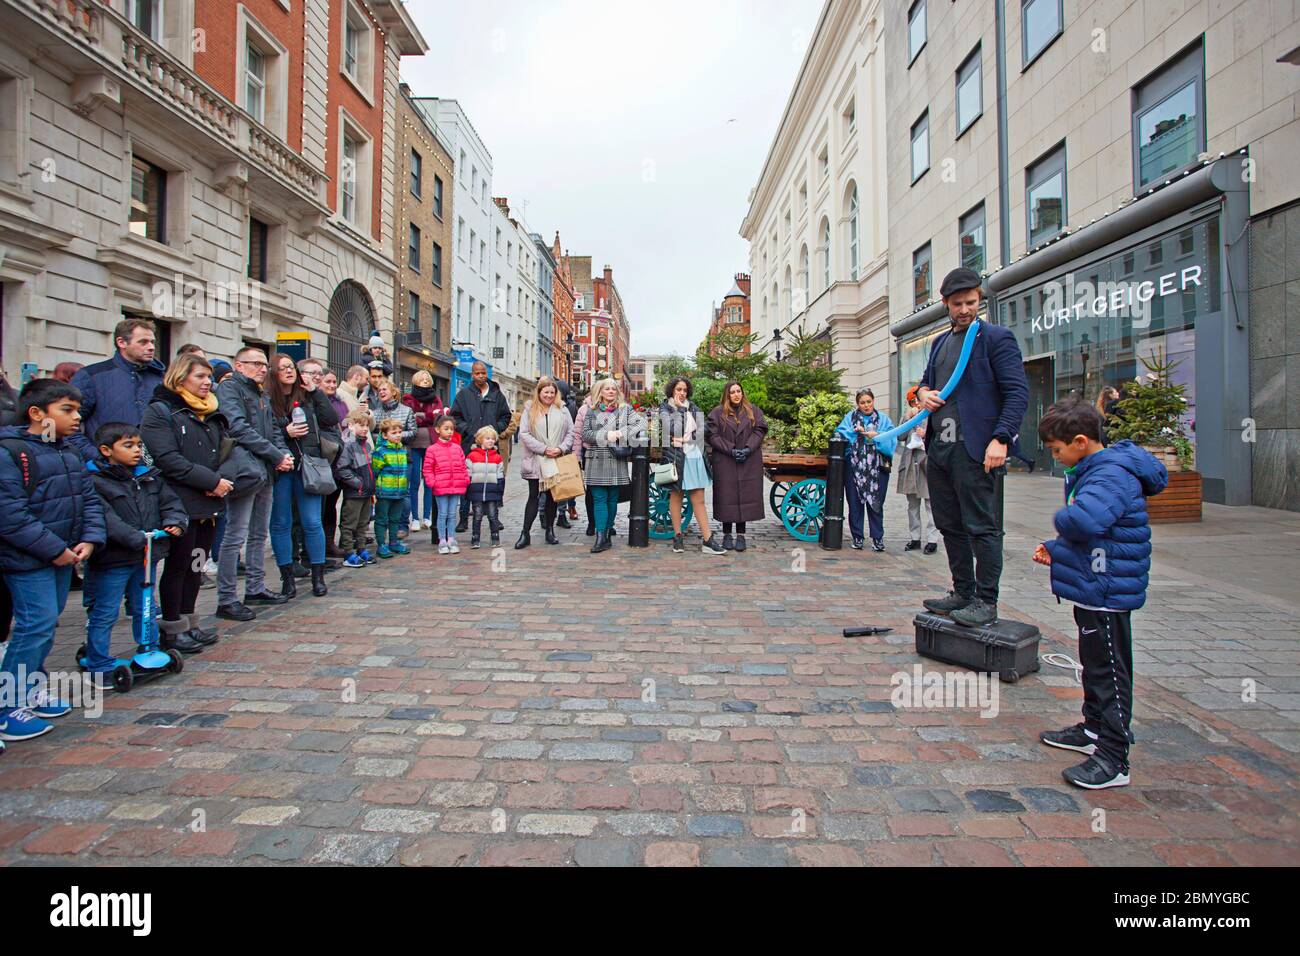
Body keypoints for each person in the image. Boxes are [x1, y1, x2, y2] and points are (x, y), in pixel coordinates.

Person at [1032, 397, 1167, 789]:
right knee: (1095, 665)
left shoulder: (1109, 474)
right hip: (1097, 584)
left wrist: (1061, 522)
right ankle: (1093, 729)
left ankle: (1113, 756)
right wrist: (1057, 548)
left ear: (1079, 441)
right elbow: (1097, 531)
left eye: (1057, 451)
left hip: (1107, 590)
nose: (1056, 458)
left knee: (1109, 671)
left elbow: (1086, 520)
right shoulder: (1098, 469)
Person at [916, 267, 1029, 627]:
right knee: (950, 524)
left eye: (971, 302)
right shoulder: (939, 343)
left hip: (978, 449)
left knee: (983, 526)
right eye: (957, 304)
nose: (965, 310)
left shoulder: (996, 338)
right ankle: (962, 591)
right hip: (941, 449)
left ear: (979, 300)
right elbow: (924, 384)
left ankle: (986, 600)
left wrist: (1001, 438)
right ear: (945, 304)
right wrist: (922, 395)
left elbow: (1017, 392)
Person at [0, 379, 106, 743]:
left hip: (64, 555)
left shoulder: (68, 451)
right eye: (67, 410)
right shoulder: (11, 452)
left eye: (77, 410)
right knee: (35, 625)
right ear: (37, 413)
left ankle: (30, 687)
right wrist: (53, 549)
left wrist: (89, 539)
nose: (77, 418)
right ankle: (6, 704)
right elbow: (10, 515)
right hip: (28, 558)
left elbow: (88, 499)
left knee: (48, 624)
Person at [141, 353, 232, 651]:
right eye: (200, 377)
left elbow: (227, 451)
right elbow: (167, 459)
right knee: (178, 566)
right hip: (179, 502)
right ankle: (171, 627)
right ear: (181, 378)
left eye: (209, 377)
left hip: (209, 502)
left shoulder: (212, 412)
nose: (208, 382)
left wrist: (220, 481)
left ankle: (190, 621)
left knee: (196, 564)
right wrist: (210, 481)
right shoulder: (161, 411)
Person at [84, 422, 188, 674]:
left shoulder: (149, 476)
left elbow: (171, 503)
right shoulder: (95, 482)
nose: (136, 450)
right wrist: (135, 537)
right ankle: (98, 658)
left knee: (146, 606)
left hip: (145, 555)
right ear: (106, 450)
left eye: (138, 445)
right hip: (112, 558)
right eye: (128, 445)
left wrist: (174, 522)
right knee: (106, 609)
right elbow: (106, 518)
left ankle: (149, 647)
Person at [214, 347, 293, 621]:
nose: (262, 369)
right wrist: (274, 454)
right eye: (255, 364)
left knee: (260, 534)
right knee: (235, 535)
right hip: (245, 470)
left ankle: (255, 587)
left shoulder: (262, 393)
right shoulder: (229, 389)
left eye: (264, 365)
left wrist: (283, 454)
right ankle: (226, 598)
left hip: (265, 470)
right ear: (238, 365)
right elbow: (237, 427)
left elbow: (273, 429)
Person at [268, 353, 338, 598]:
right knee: (281, 523)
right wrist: (285, 432)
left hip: (309, 466)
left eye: (291, 367)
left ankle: (317, 576)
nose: (288, 371)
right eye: (283, 367)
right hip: (281, 466)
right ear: (273, 373)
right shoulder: (267, 399)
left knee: (312, 521)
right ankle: (287, 578)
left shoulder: (307, 396)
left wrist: (316, 392)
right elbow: (263, 432)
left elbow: (331, 419)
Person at [69, 318, 165, 460]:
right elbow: (67, 423)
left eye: (152, 342)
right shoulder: (92, 376)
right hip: (107, 472)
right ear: (121, 343)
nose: (151, 347)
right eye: (143, 342)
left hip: (155, 470)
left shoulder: (160, 378)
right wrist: (98, 457)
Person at [659, 376, 726, 555]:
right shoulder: (665, 408)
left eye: (685, 390)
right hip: (676, 458)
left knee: (699, 499)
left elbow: (704, 429)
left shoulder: (694, 407)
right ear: (672, 390)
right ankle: (678, 536)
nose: (682, 393)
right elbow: (671, 428)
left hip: (695, 456)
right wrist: (681, 410)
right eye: (679, 389)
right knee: (676, 497)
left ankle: (707, 539)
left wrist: (689, 437)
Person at [582, 378, 644, 553]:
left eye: (613, 389)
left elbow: (641, 423)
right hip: (596, 458)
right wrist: (606, 435)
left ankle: (608, 533)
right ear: (600, 392)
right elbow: (585, 434)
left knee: (612, 499)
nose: (610, 391)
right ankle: (600, 536)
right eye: (607, 389)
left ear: (617, 392)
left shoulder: (625, 410)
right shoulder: (592, 411)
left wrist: (620, 433)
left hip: (617, 458)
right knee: (599, 498)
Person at [451, 362, 512, 533]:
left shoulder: (496, 395)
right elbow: (455, 417)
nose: (480, 376)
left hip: (491, 446)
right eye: (477, 373)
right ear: (472, 375)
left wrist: (495, 429)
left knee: (492, 480)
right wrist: (468, 430)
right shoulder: (463, 395)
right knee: (467, 482)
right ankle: (463, 518)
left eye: (483, 373)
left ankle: (494, 518)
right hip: (470, 445)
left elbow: (506, 416)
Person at [706, 380, 767, 552]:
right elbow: (712, 435)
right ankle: (727, 535)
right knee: (727, 497)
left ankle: (741, 536)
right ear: (727, 394)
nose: (736, 395)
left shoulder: (753, 411)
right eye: (732, 392)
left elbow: (760, 430)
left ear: (742, 393)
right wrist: (731, 450)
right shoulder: (717, 413)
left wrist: (748, 449)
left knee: (744, 497)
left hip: (748, 460)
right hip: (726, 460)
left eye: (738, 391)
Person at [835, 389, 896, 552]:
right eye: (862, 402)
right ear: (858, 404)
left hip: (877, 468)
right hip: (854, 467)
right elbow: (839, 433)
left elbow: (891, 438)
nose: (866, 405)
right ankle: (857, 536)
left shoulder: (883, 419)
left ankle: (877, 538)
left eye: (869, 401)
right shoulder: (850, 418)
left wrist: (877, 436)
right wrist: (855, 433)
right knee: (854, 502)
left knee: (876, 502)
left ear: (873, 401)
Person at [516, 376, 573, 550]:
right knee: (533, 496)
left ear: (556, 394)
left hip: (555, 459)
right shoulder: (530, 409)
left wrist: (561, 448)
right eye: (545, 392)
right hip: (536, 459)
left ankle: (549, 530)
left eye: (551, 392)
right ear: (539, 392)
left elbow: (570, 433)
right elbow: (524, 434)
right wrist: (543, 448)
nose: (548, 395)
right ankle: (525, 533)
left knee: (551, 498)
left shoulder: (562, 410)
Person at [895, 386, 939, 555]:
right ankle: (915, 537)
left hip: (926, 463)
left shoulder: (932, 415)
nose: (916, 404)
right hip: (910, 464)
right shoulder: (908, 416)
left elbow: (939, 436)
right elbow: (900, 436)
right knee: (912, 505)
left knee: (930, 504)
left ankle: (932, 540)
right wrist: (908, 418)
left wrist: (925, 434)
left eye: (917, 400)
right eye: (912, 402)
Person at [402, 370, 445, 532]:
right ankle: (414, 517)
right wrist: (427, 417)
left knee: (429, 481)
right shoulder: (408, 399)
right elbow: (409, 418)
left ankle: (427, 516)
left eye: (428, 379)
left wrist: (422, 416)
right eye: (422, 378)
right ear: (415, 381)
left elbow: (438, 418)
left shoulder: (436, 399)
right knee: (413, 482)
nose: (426, 380)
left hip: (430, 444)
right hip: (412, 445)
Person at [335, 408, 377, 568]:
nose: (365, 428)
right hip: (355, 492)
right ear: (351, 426)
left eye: (366, 425)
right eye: (361, 425)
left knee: (363, 523)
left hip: (366, 492)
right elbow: (342, 469)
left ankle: (361, 549)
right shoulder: (348, 445)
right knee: (349, 523)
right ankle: (348, 552)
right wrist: (358, 483)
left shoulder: (365, 444)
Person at [424, 414, 469, 554]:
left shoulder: (457, 448)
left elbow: (463, 466)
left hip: (456, 486)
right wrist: (433, 482)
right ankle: (442, 540)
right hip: (440, 487)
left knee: (452, 514)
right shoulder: (432, 449)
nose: (450, 431)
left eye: (451, 429)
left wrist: (465, 479)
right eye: (446, 428)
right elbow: (427, 469)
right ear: (438, 430)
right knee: (442, 514)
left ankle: (452, 538)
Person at [318, 368, 349, 557]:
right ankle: (316, 545)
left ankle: (329, 543)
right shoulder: (315, 401)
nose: (331, 385)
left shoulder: (340, 402)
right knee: (319, 507)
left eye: (333, 381)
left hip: (338, 456)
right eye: (327, 382)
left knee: (331, 504)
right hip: (322, 458)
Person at [372, 417, 411, 558]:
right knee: (382, 519)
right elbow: (375, 471)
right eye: (394, 432)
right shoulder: (380, 451)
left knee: (395, 518)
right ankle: (381, 543)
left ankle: (393, 542)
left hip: (399, 492)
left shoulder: (402, 450)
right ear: (384, 435)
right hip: (385, 492)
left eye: (400, 432)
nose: (398, 435)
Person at [465, 426, 505, 549]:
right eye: (487, 438)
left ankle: (495, 537)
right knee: (477, 516)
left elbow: (500, 476)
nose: (491, 441)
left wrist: (500, 491)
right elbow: (468, 475)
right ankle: (475, 538)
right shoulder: (472, 456)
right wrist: (469, 489)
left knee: (493, 515)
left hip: (492, 492)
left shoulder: (497, 458)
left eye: (493, 439)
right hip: (476, 491)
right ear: (480, 440)